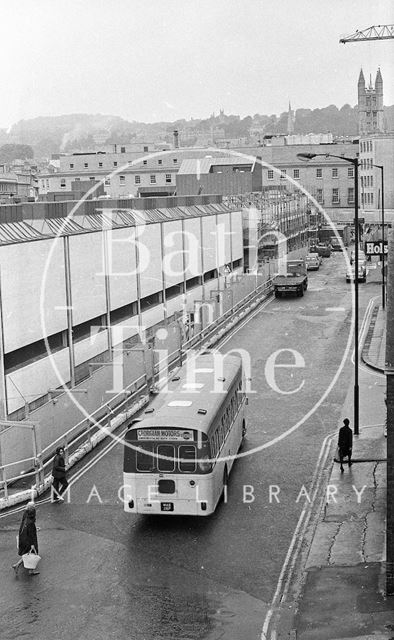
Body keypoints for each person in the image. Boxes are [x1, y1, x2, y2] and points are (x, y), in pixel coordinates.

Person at [12, 502, 40, 575]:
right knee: (32, 553)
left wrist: (34, 527)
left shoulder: (25, 515)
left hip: (23, 537)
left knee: (26, 553)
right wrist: (32, 545)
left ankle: (17, 565)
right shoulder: (31, 522)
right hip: (28, 540)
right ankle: (30, 571)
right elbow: (31, 535)